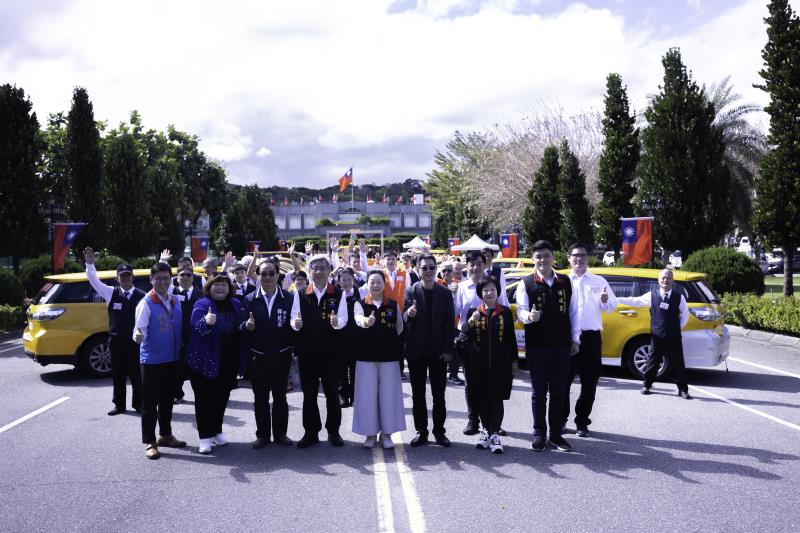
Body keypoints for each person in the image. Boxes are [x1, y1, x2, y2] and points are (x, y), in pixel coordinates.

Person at [516, 240, 579, 453]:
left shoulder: (565, 281)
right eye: (538, 257)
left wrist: (575, 339)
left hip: (561, 345)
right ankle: (539, 434)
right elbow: (521, 310)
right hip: (537, 346)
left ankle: (556, 435)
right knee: (539, 393)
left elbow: (573, 312)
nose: (543, 260)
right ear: (533, 259)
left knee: (559, 392)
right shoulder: (526, 283)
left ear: (553, 257)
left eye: (546, 255)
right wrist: (529, 316)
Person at [290, 254, 348, 448]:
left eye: (323, 268)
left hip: (332, 353)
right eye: (315, 268)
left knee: (332, 393)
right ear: (309, 271)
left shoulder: (338, 293)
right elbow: (293, 319)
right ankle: (311, 432)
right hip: (308, 353)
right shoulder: (300, 293)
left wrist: (336, 322)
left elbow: (343, 319)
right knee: (309, 394)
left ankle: (334, 431)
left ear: (329, 270)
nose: (319, 272)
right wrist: (296, 324)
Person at [133, 263, 187, 459]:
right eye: (159, 278)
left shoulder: (174, 300)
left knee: (167, 401)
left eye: (166, 278)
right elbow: (139, 330)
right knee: (150, 403)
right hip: (152, 361)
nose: (163, 282)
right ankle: (149, 441)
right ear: (151, 280)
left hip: (172, 359)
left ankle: (165, 435)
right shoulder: (145, 303)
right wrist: (138, 336)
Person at [563, 243, 617, 437]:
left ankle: (582, 421)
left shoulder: (598, 281)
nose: (579, 258)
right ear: (568, 257)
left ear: (588, 257)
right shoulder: (562, 281)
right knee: (563, 382)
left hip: (591, 337)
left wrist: (605, 301)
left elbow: (612, 307)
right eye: (575, 255)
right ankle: (561, 420)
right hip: (567, 337)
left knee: (589, 383)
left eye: (583, 255)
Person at [84, 247, 145, 416]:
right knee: (117, 374)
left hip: (135, 341)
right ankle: (119, 405)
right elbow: (94, 281)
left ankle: (139, 404)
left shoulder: (142, 295)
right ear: (117, 278)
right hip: (116, 341)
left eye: (128, 275)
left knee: (136, 374)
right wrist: (90, 264)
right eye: (122, 276)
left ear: (132, 277)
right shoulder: (111, 293)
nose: (125, 279)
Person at [460, 276, 518, 454]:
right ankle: (486, 431)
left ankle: (494, 434)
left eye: (493, 289)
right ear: (480, 294)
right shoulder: (473, 312)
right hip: (478, 363)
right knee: (482, 399)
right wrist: (470, 322)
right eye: (485, 290)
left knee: (497, 398)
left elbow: (511, 339)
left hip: (500, 364)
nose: (489, 293)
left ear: (497, 292)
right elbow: (464, 335)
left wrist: (514, 361)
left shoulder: (505, 312)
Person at [454, 250, 509, 435]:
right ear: (466, 266)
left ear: (485, 265)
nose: (476, 267)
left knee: (492, 382)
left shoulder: (493, 283)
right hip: (470, 340)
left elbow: (505, 307)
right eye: (472, 264)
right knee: (471, 383)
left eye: (479, 263)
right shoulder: (461, 287)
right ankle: (473, 421)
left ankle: (494, 423)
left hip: (493, 339)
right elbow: (455, 312)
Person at [403, 254, 456, 447]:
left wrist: (449, 351)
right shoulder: (411, 291)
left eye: (432, 268)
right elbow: (404, 317)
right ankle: (421, 431)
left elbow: (450, 325)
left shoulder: (445, 293)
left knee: (438, 395)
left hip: (438, 353)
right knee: (418, 395)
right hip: (416, 352)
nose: (428, 271)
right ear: (417, 270)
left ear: (437, 269)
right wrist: (409, 314)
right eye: (424, 268)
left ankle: (439, 432)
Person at [243, 257, 295, 449]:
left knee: (280, 397)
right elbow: (241, 325)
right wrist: (246, 326)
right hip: (258, 357)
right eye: (263, 273)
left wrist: (296, 327)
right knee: (261, 398)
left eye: (271, 273)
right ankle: (263, 435)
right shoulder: (249, 298)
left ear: (278, 275)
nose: (267, 277)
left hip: (281, 355)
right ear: (257, 275)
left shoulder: (288, 297)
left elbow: (295, 326)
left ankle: (281, 433)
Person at [616, 269, 692, 399]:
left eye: (668, 278)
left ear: (672, 280)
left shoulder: (679, 297)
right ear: (658, 280)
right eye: (663, 278)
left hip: (674, 336)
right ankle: (647, 385)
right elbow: (634, 301)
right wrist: (615, 299)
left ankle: (683, 390)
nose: (665, 280)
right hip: (657, 336)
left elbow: (685, 316)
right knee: (653, 362)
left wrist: (676, 328)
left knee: (679, 363)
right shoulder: (652, 296)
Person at [352, 270, 406, 449]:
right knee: (366, 397)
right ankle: (369, 434)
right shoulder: (360, 304)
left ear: (385, 284)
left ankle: (387, 434)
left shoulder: (393, 305)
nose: (375, 285)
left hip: (390, 358)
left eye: (379, 282)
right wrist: (366, 322)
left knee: (389, 397)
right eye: (372, 282)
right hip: (365, 358)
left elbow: (399, 328)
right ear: (367, 284)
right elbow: (358, 319)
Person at [169, 264, 204, 404]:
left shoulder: (200, 294)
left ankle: (201, 396)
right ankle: (177, 394)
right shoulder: (171, 294)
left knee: (197, 368)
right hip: (177, 337)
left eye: (188, 275)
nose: (185, 277)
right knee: (177, 369)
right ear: (177, 278)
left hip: (196, 337)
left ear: (193, 278)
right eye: (182, 275)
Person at [336, 267, 361, 408]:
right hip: (339, 337)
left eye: (349, 279)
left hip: (356, 337)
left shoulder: (360, 294)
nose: (346, 283)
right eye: (343, 280)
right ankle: (343, 396)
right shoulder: (336, 295)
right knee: (341, 368)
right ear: (339, 282)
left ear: (354, 280)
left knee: (355, 368)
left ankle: (355, 396)